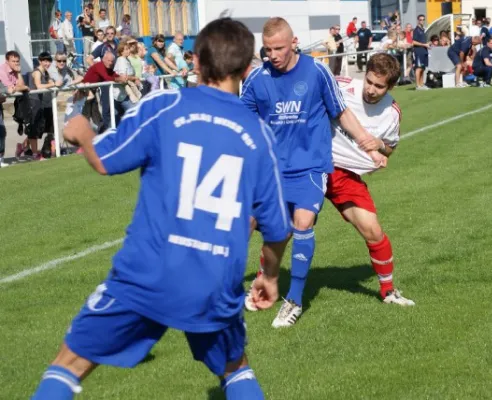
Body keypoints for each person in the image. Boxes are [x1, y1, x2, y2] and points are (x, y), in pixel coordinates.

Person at [30, 18, 289, 400]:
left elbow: (105, 159)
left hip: (148, 273)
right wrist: (269, 274)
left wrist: (81, 130)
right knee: (236, 369)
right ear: (247, 68)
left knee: (69, 364)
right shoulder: (258, 133)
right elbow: (277, 227)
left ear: (196, 62)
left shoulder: (165, 106)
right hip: (214, 281)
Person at [241, 17, 386, 328]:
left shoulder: (317, 71)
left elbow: (341, 112)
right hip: (272, 173)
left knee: (303, 222)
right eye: (267, 50)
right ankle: (254, 284)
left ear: (294, 43)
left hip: (310, 166)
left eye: (278, 48)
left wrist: (367, 145)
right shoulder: (257, 79)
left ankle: (293, 301)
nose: (273, 56)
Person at [327, 53, 415, 306]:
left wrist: (380, 146)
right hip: (316, 163)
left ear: (391, 86)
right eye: (369, 82)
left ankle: (388, 292)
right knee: (288, 228)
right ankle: (262, 283)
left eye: (379, 86)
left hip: (346, 175)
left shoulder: (392, 113)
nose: (371, 90)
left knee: (374, 232)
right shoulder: (341, 85)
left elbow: (390, 148)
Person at [0, 51, 29, 167]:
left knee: (1, 132)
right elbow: (10, 89)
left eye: (17, 61)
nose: (16, 63)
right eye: (13, 61)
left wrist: (19, 73)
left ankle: (0, 159)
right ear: (7, 61)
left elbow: (20, 86)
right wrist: (22, 87)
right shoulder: (2, 70)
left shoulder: (16, 71)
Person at [412, 14, 430, 90]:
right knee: (418, 68)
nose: (422, 21)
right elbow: (413, 42)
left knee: (423, 68)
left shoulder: (423, 30)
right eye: (420, 19)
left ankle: (421, 84)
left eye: (423, 19)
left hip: (424, 51)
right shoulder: (416, 30)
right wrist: (424, 44)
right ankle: (418, 85)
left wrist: (428, 44)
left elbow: (423, 41)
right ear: (418, 20)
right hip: (418, 51)